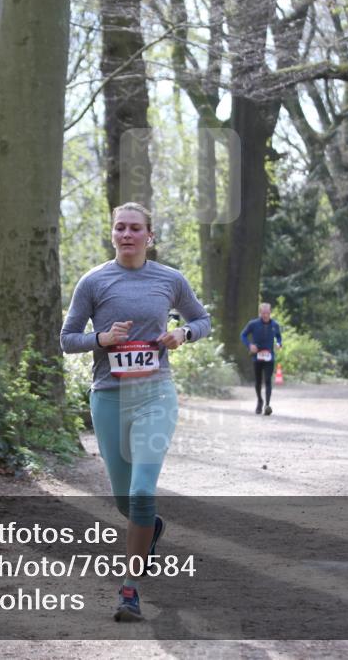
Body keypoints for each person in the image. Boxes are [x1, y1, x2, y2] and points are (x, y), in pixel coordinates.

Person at [60, 202, 211, 622]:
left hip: (154, 395)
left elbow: (202, 321)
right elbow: (67, 338)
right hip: (108, 397)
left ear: (150, 236)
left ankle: (129, 589)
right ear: (112, 234)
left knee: (143, 492)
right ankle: (151, 529)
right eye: (120, 228)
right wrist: (101, 339)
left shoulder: (169, 280)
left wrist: (183, 332)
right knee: (127, 502)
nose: (127, 234)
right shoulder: (93, 281)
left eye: (135, 228)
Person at [240, 302, 283, 415]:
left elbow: (279, 337)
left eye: (267, 313)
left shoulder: (275, 325)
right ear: (260, 313)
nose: (265, 315)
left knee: (268, 380)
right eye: (263, 313)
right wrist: (249, 345)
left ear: (270, 313)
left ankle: (267, 405)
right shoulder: (253, 324)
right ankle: (260, 400)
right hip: (257, 356)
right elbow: (243, 335)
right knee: (258, 381)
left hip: (269, 356)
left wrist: (279, 343)